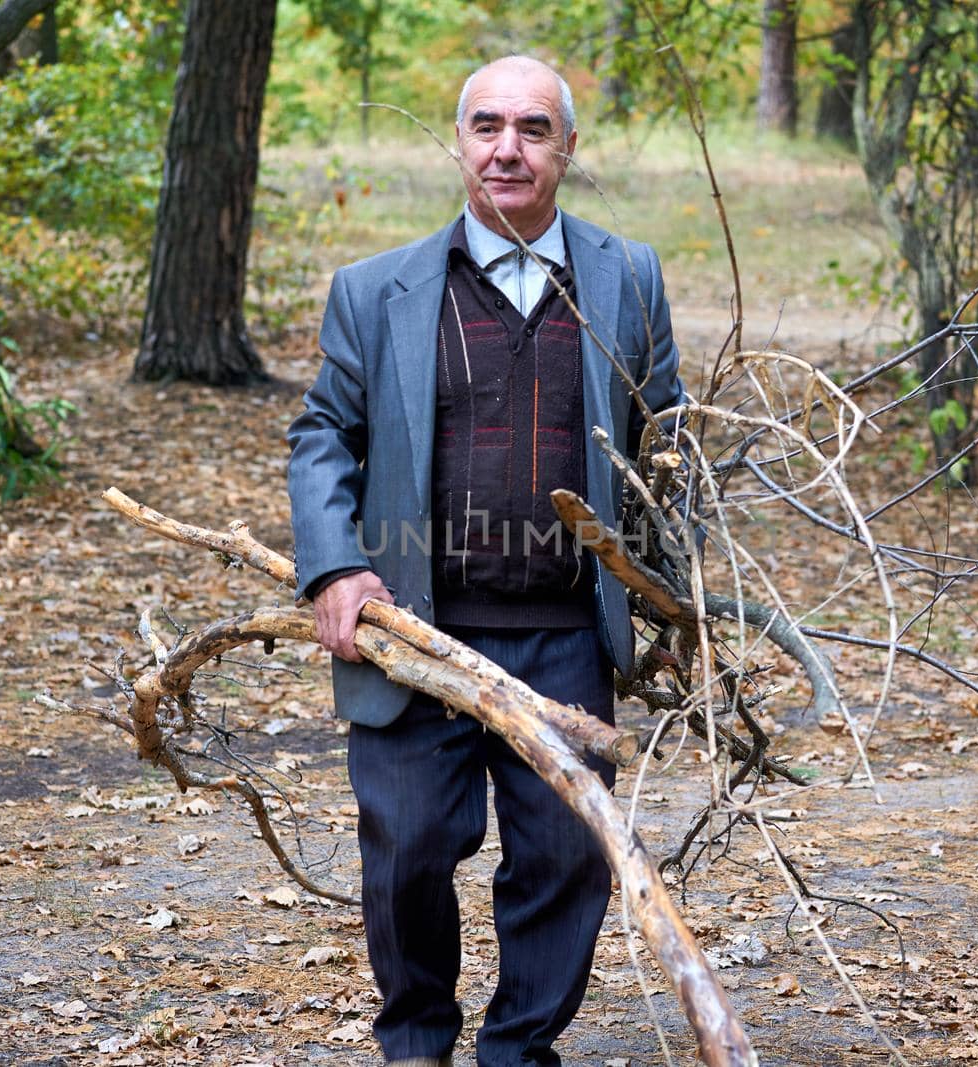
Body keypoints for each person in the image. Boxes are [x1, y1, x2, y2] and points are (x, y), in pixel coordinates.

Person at [286, 55, 687, 1067]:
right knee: (410, 848)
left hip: (563, 629)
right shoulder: (376, 291)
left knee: (564, 859)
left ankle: (518, 1050)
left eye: (533, 129)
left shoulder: (626, 277)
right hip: (418, 628)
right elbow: (324, 434)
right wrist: (334, 567)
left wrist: (675, 606)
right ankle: (416, 1040)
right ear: (458, 142)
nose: (508, 148)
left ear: (566, 148)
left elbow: (665, 447)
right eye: (487, 127)